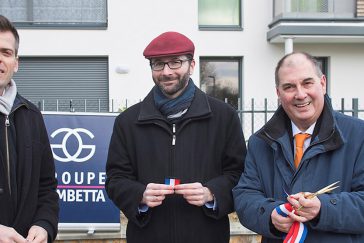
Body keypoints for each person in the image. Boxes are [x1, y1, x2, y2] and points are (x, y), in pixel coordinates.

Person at [105, 31, 246, 243]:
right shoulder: (128, 122)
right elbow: (115, 179)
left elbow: (240, 175)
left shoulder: (224, 117)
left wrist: (211, 193)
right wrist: (139, 195)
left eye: (175, 63)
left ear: (192, 65)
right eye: (158, 64)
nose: (166, 72)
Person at [233, 51, 364, 242]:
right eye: (289, 87)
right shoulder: (260, 142)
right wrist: (270, 215)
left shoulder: (358, 135)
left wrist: (323, 209)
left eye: (307, 83)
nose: (300, 94)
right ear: (278, 93)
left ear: (323, 83)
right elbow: (244, 196)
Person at [0, 15, 59, 243]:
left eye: (6, 52)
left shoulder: (31, 116)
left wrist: (44, 225)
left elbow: (46, 187)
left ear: (16, 62)